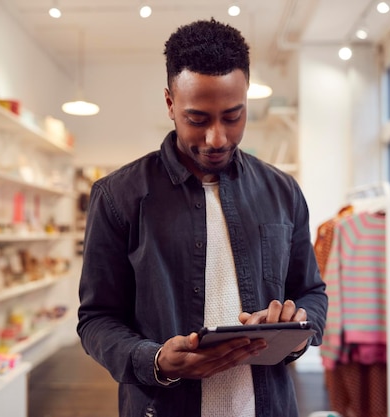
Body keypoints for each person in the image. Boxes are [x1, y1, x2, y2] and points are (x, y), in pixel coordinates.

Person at [76, 18, 328, 417]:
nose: (217, 138)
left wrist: (296, 330)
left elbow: (312, 293)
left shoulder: (283, 192)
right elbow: (96, 319)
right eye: (197, 119)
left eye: (233, 116)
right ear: (170, 103)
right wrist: (155, 360)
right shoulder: (118, 197)